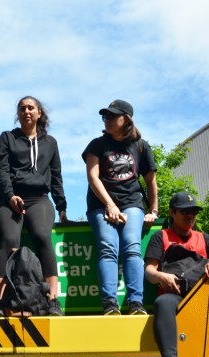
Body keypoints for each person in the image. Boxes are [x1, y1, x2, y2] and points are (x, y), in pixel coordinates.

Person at [0, 96, 67, 317]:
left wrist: (62, 207)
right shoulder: (7, 137)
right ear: (18, 114)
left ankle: (53, 300)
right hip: (9, 198)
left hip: (39, 199)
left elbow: (56, 176)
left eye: (31, 108)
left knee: (42, 236)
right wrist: (10, 195)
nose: (26, 111)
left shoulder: (50, 142)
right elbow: (1, 170)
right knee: (9, 240)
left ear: (39, 113)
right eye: (22, 108)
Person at [82, 99, 158, 316]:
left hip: (131, 202)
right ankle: (109, 303)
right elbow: (92, 177)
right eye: (105, 116)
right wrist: (110, 205)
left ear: (127, 119)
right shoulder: (97, 144)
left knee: (132, 247)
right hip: (101, 204)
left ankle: (136, 303)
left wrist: (153, 210)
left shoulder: (141, 146)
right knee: (108, 248)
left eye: (113, 116)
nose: (107, 119)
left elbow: (151, 181)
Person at [145, 192, 209, 357]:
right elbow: (149, 271)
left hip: (203, 298)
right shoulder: (161, 236)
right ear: (171, 212)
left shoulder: (204, 238)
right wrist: (162, 276)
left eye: (194, 212)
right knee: (162, 302)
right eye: (184, 211)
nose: (190, 215)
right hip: (175, 296)